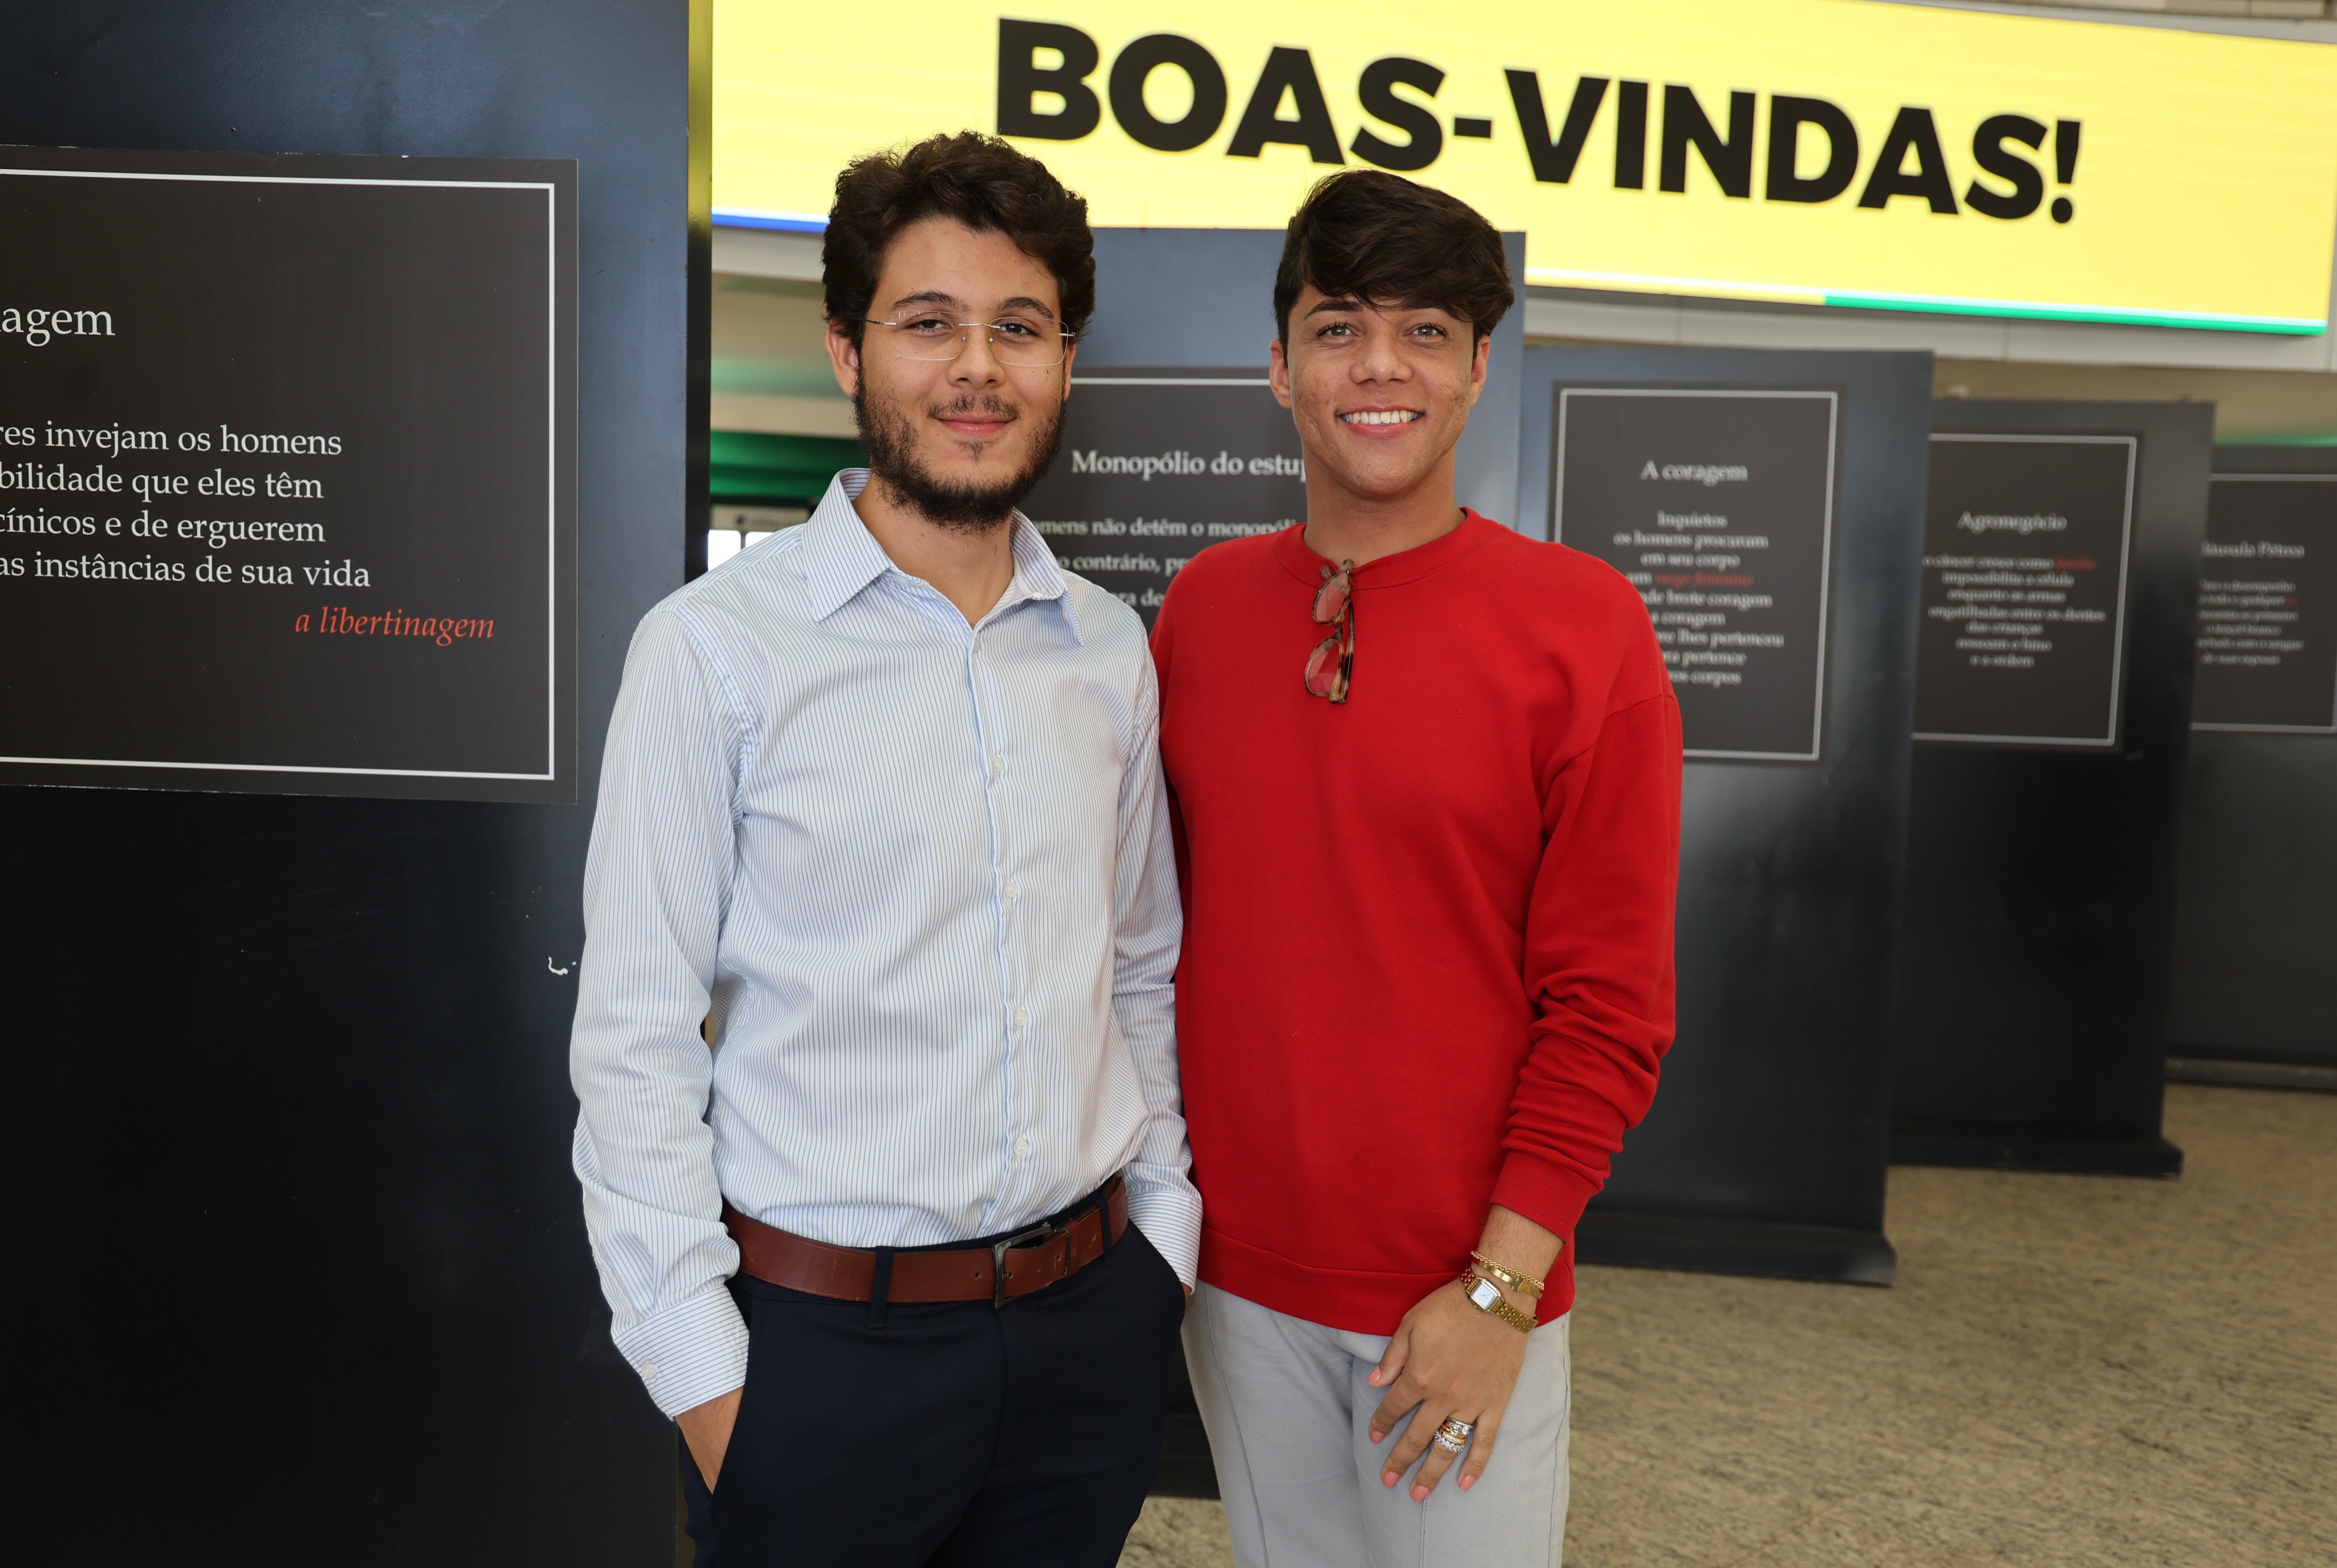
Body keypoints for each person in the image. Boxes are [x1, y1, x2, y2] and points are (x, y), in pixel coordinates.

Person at [568, 131, 1197, 1567]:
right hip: (818, 1359)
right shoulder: (713, 651)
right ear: (849, 351)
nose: (978, 367)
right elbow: (636, 1034)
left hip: (1087, 1332)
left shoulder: (1107, 647)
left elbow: (1139, 966)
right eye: (930, 323)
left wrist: (1161, 1241)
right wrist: (707, 1378)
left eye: (1020, 327)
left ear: (1065, 360)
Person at [1149, 169, 1682, 1566]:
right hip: (1236, 1282)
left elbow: (1611, 1004)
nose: (1380, 364)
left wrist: (1502, 1289)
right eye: (1338, 327)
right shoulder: (1201, 611)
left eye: (1425, 330)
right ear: (1281, 368)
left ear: (1477, 368)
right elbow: (1157, 941)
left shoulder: (1584, 628)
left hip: (1461, 1287)